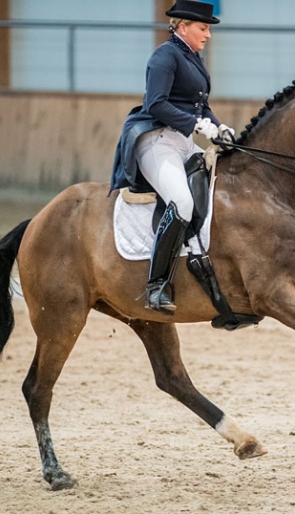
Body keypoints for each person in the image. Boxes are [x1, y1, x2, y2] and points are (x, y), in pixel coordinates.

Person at [110, 0, 234, 314]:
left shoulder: (193, 58)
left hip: (182, 140)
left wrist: (219, 128)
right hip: (156, 140)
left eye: (208, 29)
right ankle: (156, 285)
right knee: (182, 201)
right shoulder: (164, 57)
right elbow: (156, 103)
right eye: (203, 28)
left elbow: (201, 105)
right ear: (182, 26)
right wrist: (196, 125)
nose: (208, 35)